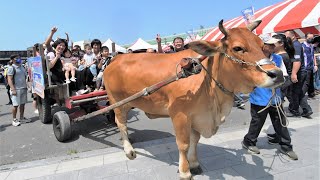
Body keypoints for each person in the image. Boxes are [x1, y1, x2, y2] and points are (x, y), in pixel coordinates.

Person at [242, 34, 298, 160]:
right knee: (257, 122)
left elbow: (284, 74)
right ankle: (249, 142)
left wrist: (280, 85)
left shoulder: (278, 58)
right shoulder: (253, 59)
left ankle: (286, 146)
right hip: (259, 96)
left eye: (274, 44)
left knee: (280, 122)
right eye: (270, 44)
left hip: (275, 96)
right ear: (263, 45)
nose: (273, 46)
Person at [285, 30, 313, 118]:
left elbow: (297, 61)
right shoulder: (293, 45)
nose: (286, 39)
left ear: (293, 36)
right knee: (298, 92)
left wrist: (294, 73)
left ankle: (295, 110)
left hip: (299, 72)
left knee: (293, 92)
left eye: (287, 36)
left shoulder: (296, 45)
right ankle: (306, 109)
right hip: (300, 72)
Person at [7, 54, 31, 126]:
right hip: (16, 89)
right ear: (12, 60)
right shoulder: (12, 68)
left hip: (23, 88)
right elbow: (9, 79)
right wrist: (13, 89)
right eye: (16, 58)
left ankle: (21, 118)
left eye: (19, 58)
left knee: (22, 104)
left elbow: (26, 77)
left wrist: (28, 86)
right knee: (15, 105)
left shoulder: (22, 67)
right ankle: (14, 119)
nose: (18, 59)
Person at [301, 33, 316, 98]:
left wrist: (315, 64)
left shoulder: (311, 46)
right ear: (306, 38)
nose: (311, 39)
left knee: (311, 81)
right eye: (309, 38)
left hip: (311, 66)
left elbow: (313, 55)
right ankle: (302, 95)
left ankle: (311, 93)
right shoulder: (302, 46)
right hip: (305, 67)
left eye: (312, 38)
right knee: (306, 82)